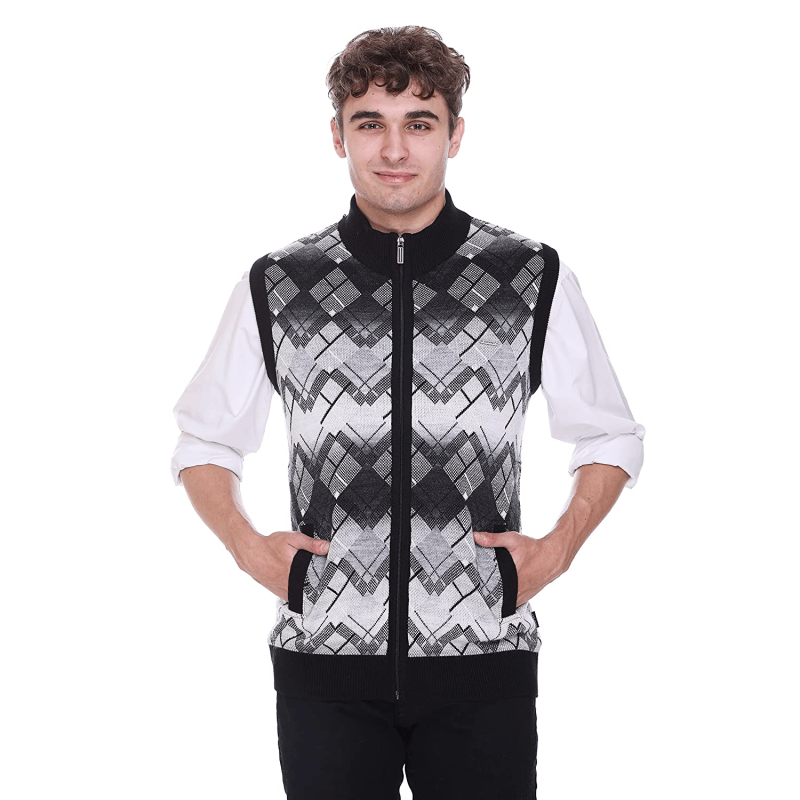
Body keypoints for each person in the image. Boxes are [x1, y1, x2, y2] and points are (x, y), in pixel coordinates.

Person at [170, 25, 645, 800]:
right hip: (324, 667)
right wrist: (249, 549)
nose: (394, 149)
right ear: (337, 136)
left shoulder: (528, 276)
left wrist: (557, 550)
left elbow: (609, 434)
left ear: (455, 135)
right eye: (371, 124)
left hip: (484, 661)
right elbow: (204, 441)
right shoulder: (280, 283)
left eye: (419, 123)